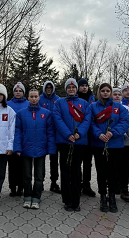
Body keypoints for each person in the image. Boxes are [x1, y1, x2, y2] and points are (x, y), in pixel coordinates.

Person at [90, 84, 129, 213]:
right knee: (101, 172)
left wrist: (113, 132)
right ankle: (102, 196)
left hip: (115, 145)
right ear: (99, 92)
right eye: (103, 91)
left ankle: (112, 196)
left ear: (111, 92)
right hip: (99, 144)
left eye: (108, 91)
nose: (105, 93)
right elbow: (90, 123)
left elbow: (125, 122)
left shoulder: (119, 107)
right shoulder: (93, 107)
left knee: (113, 172)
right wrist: (98, 134)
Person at [53, 78, 91, 211]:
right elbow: (57, 119)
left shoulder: (84, 103)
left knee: (76, 171)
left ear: (76, 89)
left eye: (73, 87)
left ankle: (76, 200)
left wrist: (79, 133)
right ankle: (67, 199)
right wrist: (67, 134)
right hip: (64, 141)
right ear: (66, 89)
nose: (71, 89)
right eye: (68, 87)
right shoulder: (59, 102)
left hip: (79, 142)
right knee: (65, 170)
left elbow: (87, 119)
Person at [14, 89, 56, 209]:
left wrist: (51, 148)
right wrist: (17, 147)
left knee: (39, 176)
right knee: (26, 175)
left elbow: (50, 132)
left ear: (39, 98)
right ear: (28, 98)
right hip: (26, 149)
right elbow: (17, 132)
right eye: (31, 96)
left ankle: (36, 197)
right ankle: (27, 196)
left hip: (40, 149)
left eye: (35, 96)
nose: (33, 98)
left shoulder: (46, 113)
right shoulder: (21, 114)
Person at [7, 82, 29, 196]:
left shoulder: (28, 104)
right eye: (16, 91)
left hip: (24, 139)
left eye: (20, 91)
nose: (18, 92)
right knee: (12, 165)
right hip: (11, 138)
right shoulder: (7, 104)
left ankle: (21, 187)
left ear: (23, 92)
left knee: (23, 165)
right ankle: (12, 187)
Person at [39, 81, 61, 193]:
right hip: (42, 133)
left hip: (55, 133)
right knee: (41, 159)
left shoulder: (58, 99)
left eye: (50, 87)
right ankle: (40, 182)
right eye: (46, 87)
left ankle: (53, 182)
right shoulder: (39, 99)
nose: (48, 89)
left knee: (54, 159)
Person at [77, 78, 96, 197]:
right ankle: (77, 183)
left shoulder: (92, 98)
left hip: (90, 135)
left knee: (88, 162)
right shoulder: (75, 98)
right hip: (78, 134)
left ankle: (86, 184)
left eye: (86, 85)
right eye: (82, 85)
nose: (84, 87)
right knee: (77, 161)